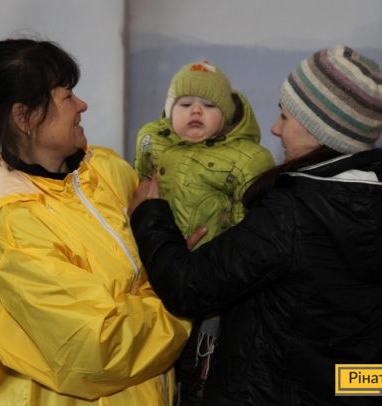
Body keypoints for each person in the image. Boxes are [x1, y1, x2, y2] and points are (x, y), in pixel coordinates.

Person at [129, 45, 382, 405]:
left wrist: (150, 214)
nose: (275, 128)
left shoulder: (296, 211)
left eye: (285, 116)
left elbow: (187, 287)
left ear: (320, 131)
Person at [0, 38, 191, 405]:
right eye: (67, 96)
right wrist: (185, 293)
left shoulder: (106, 169)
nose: (82, 105)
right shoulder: (13, 226)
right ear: (24, 118)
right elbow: (99, 349)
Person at [133, 60, 274, 404]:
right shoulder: (151, 141)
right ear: (169, 111)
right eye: (185, 104)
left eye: (209, 105)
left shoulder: (245, 159)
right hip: (154, 263)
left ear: (227, 116)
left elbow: (247, 225)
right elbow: (140, 187)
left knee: (202, 355)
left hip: (208, 273)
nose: (196, 111)